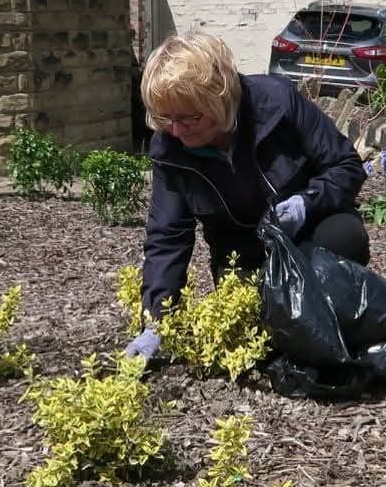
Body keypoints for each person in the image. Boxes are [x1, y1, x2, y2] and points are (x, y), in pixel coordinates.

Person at [125, 30, 369, 361]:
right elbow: (167, 236)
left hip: (308, 230)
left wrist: (305, 203)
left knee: (344, 239)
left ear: (218, 98)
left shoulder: (277, 103)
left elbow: (346, 165)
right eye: (165, 118)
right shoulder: (170, 148)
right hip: (240, 248)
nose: (177, 130)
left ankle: (336, 326)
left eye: (188, 118)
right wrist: (156, 323)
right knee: (257, 320)